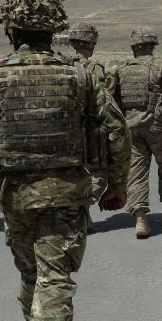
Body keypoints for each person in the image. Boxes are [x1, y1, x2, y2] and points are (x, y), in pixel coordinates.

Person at [0, 0, 131, 321]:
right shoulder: (79, 75)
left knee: (31, 277)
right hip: (67, 196)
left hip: (16, 197)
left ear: (12, 32)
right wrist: (117, 185)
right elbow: (116, 130)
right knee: (54, 282)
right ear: (53, 32)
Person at [113, 26, 162, 237]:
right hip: (157, 126)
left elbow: (114, 101)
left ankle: (141, 220)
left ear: (134, 47)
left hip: (131, 127)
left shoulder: (121, 69)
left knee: (136, 172)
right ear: (151, 45)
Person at [69, 22, 115, 208]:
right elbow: (103, 100)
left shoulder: (62, 64)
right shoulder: (94, 68)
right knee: (99, 175)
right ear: (89, 43)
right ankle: (81, 208)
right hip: (90, 130)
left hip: (65, 130)